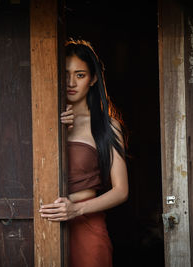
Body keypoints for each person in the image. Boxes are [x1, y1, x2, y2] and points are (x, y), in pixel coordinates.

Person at [38, 39, 129, 267]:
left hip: (87, 226)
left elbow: (121, 191)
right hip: (43, 226)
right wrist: (53, 129)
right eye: (65, 73)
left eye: (80, 75)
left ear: (93, 78)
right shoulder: (43, 120)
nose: (71, 82)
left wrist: (76, 209)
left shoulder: (107, 126)